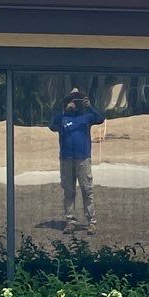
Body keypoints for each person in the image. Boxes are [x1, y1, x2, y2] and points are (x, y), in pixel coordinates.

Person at [50, 88, 105, 232]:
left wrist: (90, 106)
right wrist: (64, 110)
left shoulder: (86, 116)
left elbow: (100, 119)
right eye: (72, 99)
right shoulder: (62, 117)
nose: (75, 102)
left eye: (78, 99)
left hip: (83, 158)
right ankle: (70, 221)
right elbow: (51, 125)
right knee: (68, 190)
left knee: (87, 189)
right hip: (66, 159)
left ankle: (91, 221)